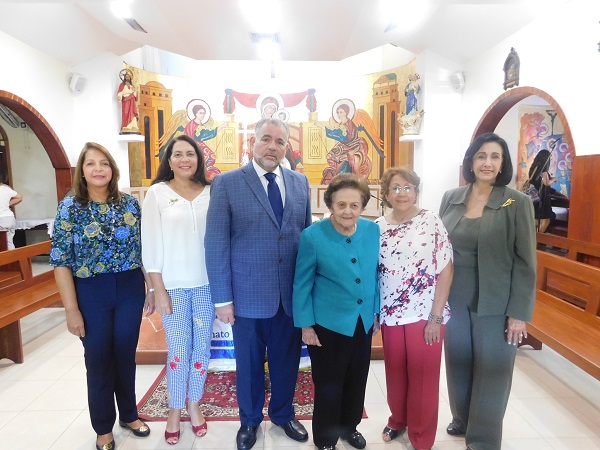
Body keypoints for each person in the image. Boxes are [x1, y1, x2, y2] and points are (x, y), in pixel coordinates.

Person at [205, 118, 312, 450]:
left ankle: (282, 414)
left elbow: (306, 242)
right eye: (266, 139)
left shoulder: (299, 182)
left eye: (280, 142)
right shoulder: (227, 183)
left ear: (286, 148)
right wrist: (222, 299)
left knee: (286, 361)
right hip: (246, 295)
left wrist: (307, 294)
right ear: (252, 143)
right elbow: (216, 244)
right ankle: (249, 421)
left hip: (289, 296)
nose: (273, 147)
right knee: (249, 365)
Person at [50, 142, 154, 450]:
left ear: (113, 169)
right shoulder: (70, 207)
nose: (98, 169)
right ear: (82, 171)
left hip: (129, 288)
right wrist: (71, 310)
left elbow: (143, 250)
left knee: (125, 354)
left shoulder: (129, 204)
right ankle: (103, 427)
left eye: (104, 163)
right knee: (97, 359)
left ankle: (129, 415)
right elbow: (60, 260)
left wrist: (149, 287)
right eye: (91, 163)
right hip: (90, 291)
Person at [439, 133, 536, 450]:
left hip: (495, 297)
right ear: (470, 160)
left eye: (495, 156)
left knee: (493, 367)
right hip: (455, 295)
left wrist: (519, 313)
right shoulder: (451, 197)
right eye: (481, 155)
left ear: (503, 164)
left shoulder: (515, 202)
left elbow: (525, 262)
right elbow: (438, 250)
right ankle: (463, 418)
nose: (487, 162)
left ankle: (482, 439)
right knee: (458, 360)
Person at [293, 173, 380, 450]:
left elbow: (374, 275)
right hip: (328, 325)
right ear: (330, 203)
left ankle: (349, 427)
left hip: (362, 321)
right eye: (341, 205)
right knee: (330, 385)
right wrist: (306, 326)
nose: (348, 211)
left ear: (363, 206)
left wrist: (375, 311)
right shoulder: (312, 236)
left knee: (357, 378)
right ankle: (327, 437)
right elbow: (302, 283)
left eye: (354, 205)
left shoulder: (371, 230)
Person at [141, 135, 215, 445]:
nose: (185, 159)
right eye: (178, 154)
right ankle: (174, 409)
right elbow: (150, 245)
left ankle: (193, 404)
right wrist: (157, 289)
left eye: (190, 154)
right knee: (178, 351)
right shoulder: (157, 193)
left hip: (206, 286)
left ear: (199, 158)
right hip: (171, 286)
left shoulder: (211, 193)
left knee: (201, 350)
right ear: (169, 160)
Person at [376, 167, 454, 450]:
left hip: (425, 314)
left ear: (416, 191)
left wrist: (436, 316)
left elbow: (446, 269)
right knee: (395, 374)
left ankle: (421, 437)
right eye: (395, 188)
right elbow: (375, 274)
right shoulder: (378, 227)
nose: (402, 193)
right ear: (386, 194)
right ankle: (398, 420)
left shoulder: (430, 221)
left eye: (407, 187)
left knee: (423, 378)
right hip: (392, 315)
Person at [320, 103, 372, 184]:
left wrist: (322, 127)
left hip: (352, 148)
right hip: (344, 148)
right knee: (330, 160)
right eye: (338, 112)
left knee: (342, 175)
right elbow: (339, 137)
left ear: (346, 113)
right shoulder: (342, 124)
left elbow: (344, 138)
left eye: (341, 112)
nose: (339, 114)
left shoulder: (349, 124)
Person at [528, 149, 558, 233]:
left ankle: (534, 240)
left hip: (534, 197)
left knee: (536, 219)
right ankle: (539, 238)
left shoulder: (533, 168)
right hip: (542, 198)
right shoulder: (543, 168)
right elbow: (546, 183)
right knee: (546, 219)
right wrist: (554, 179)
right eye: (550, 158)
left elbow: (536, 182)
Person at [0, 171, 23, 250]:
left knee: (3, 243)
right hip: (9, 217)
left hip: (1, 219)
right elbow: (19, 197)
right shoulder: (6, 189)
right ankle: (14, 261)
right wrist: (8, 204)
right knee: (9, 241)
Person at [117, 69, 139, 133]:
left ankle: (133, 125)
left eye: (128, 77)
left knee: (133, 112)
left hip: (132, 100)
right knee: (126, 112)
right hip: (126, 100)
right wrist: (119, 96)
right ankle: (126, 126)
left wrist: (135, 91)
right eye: (126, 77)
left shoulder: (132, 86)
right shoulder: (122, 85)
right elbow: (120, 92)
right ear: (124, 78)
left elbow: (135, 95)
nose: (127, 78)